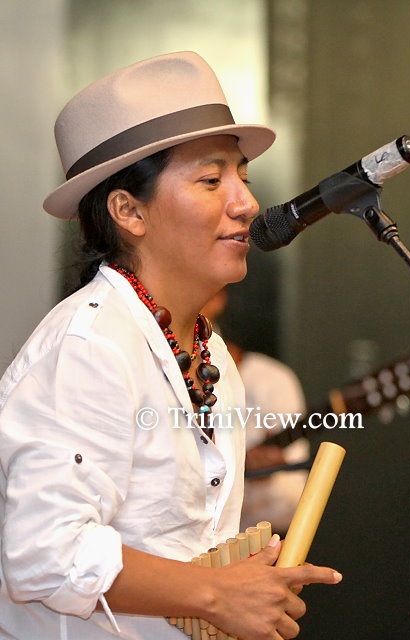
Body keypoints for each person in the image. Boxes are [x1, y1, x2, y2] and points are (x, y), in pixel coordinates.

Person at [0, 52, 342, 640]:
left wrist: (239, 591)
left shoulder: (212, 356)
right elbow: (43, 553)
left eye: (243, 177)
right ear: (129, 211)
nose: (246, 203)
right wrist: (216, 593)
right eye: (211, 180)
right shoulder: (91, 346)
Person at [201, 288, 310, 534]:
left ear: (219, 298)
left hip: (244, 548)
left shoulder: (270, 381)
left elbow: (293, 505)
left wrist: (259, 481)